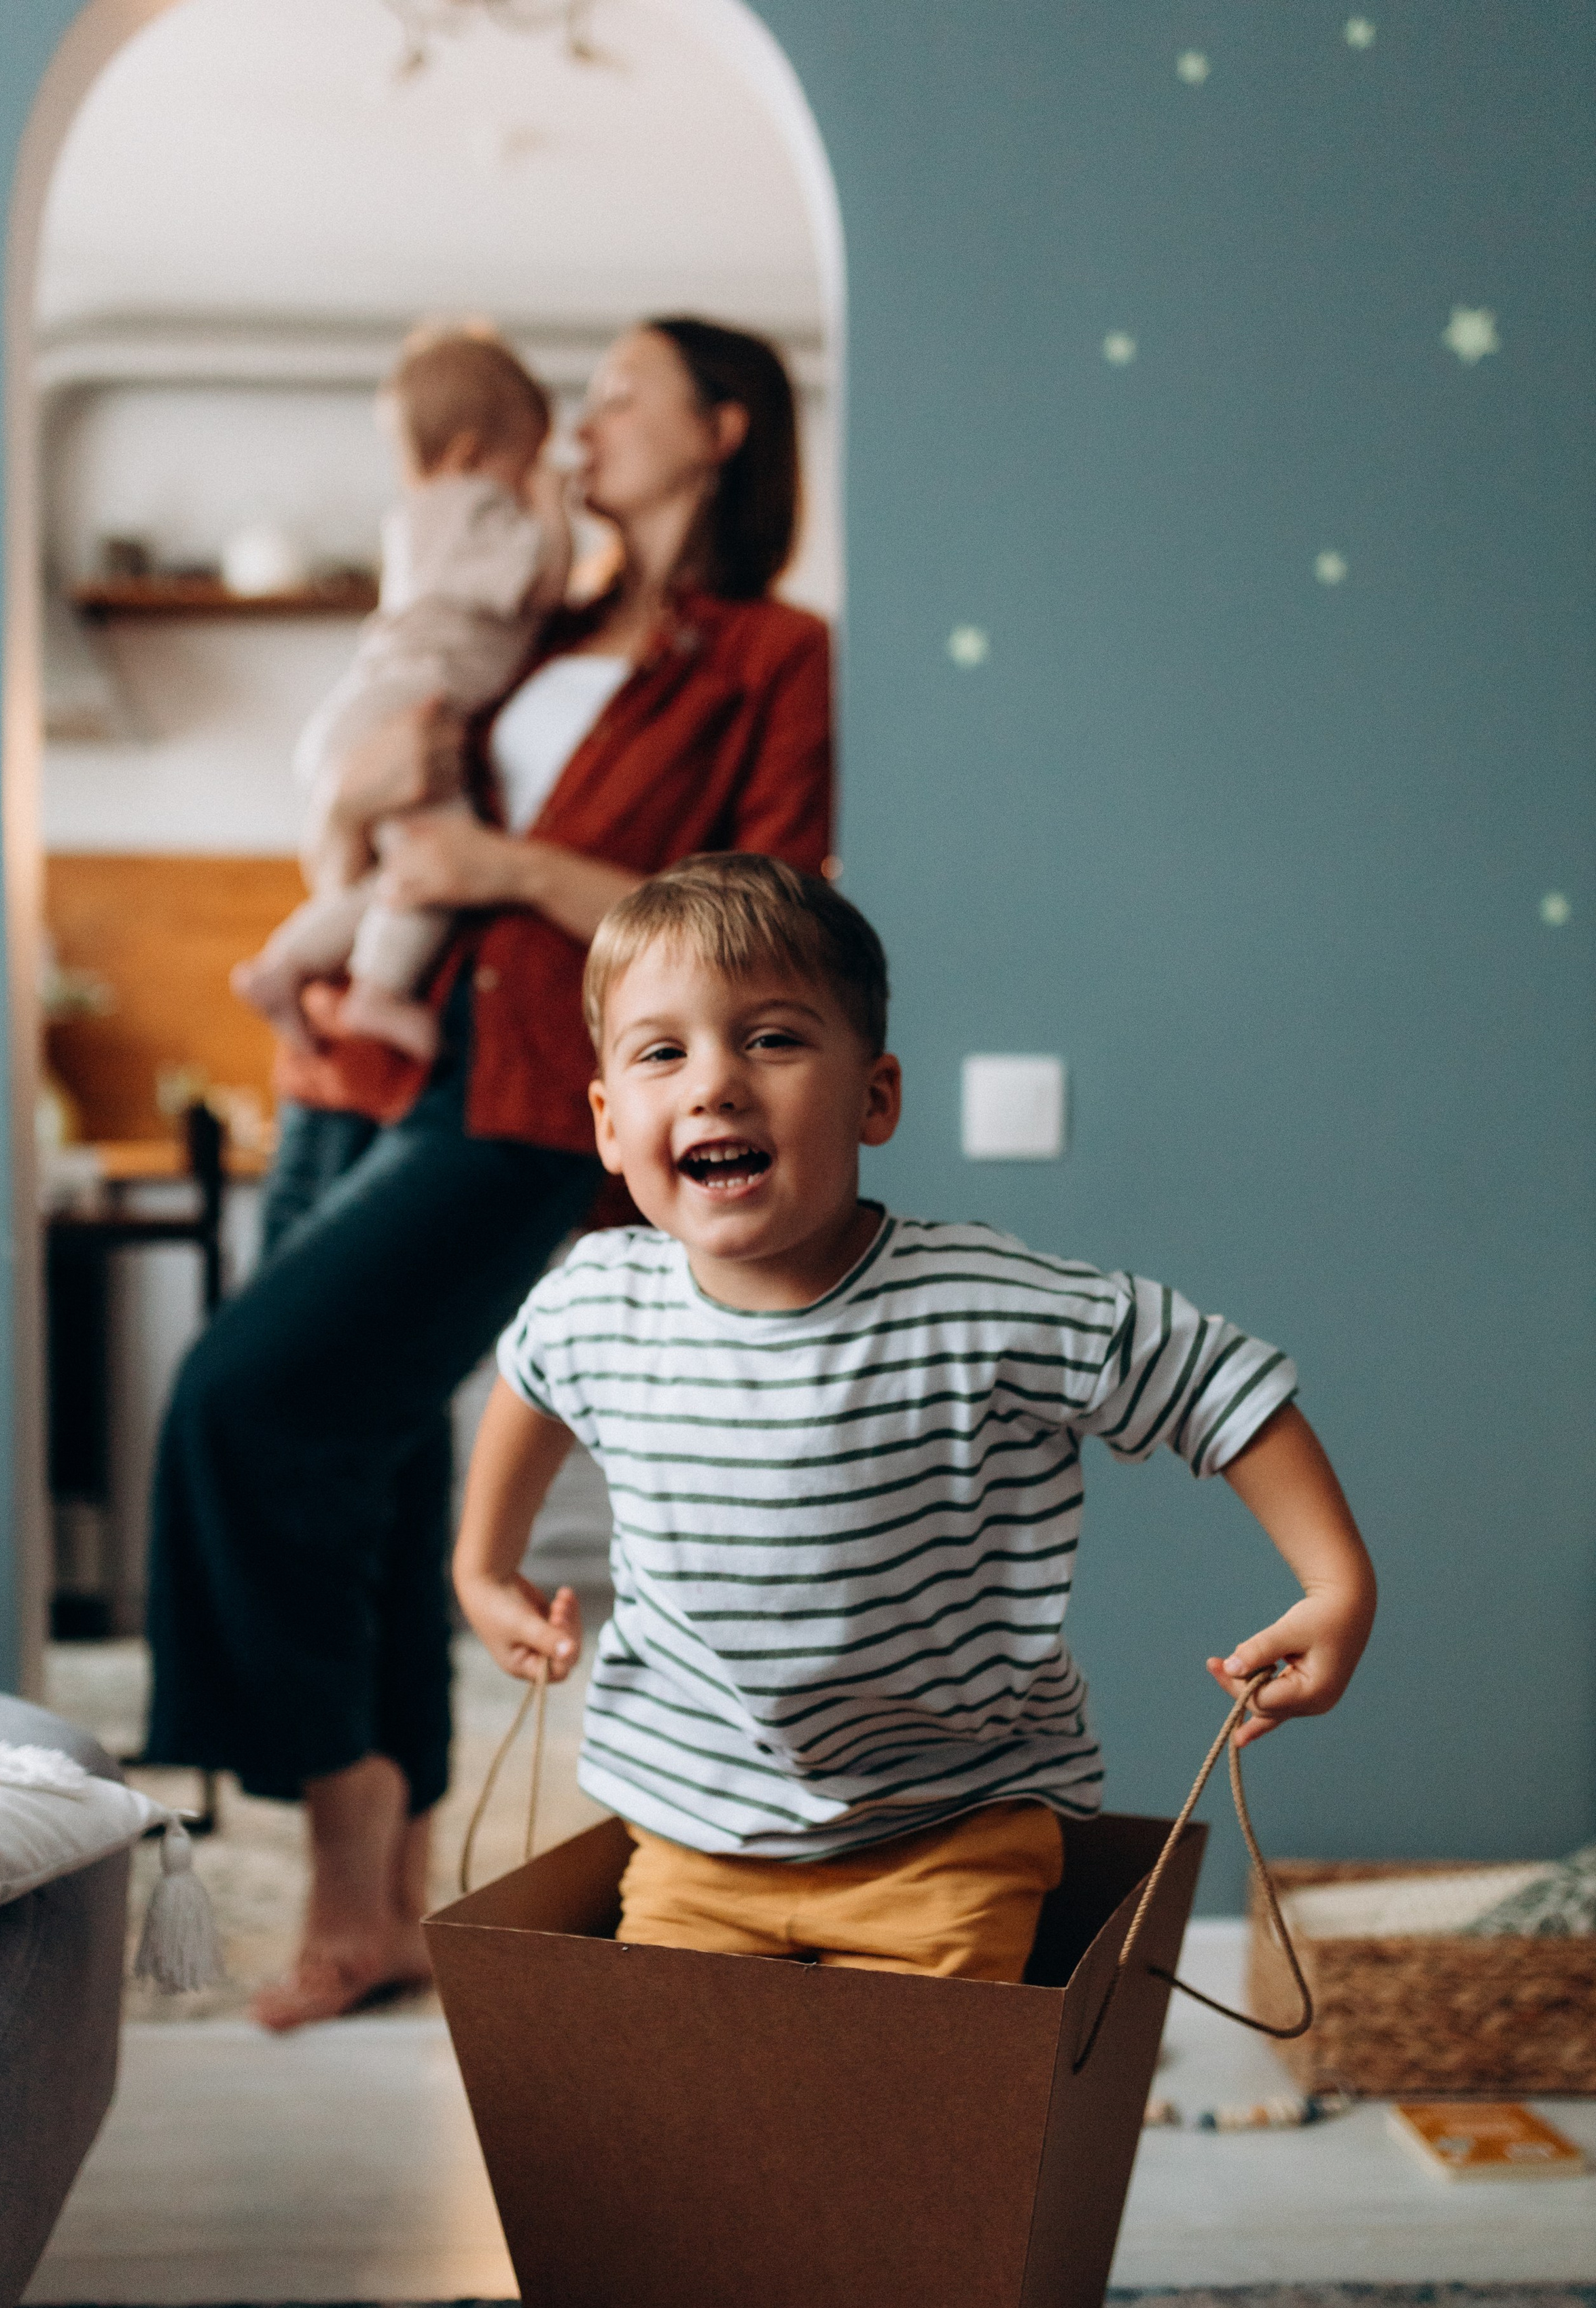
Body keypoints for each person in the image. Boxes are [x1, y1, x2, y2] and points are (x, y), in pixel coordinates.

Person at [145, 319, 832, 2029]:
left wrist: (510, 861)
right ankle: (377, 1902)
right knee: (361, 1454)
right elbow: (380, 823)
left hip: (530, 1093)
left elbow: (768, 928)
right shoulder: (528, 625)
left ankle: (344, 1864)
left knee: (242, 1403)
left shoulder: (768, 652)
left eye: (619, 391)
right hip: (355, 1057)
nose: (581, 417)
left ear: (721, 429)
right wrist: (352, 835)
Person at [454, 857, 1377, 1980]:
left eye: (773, 1040)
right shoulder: (598, 1297)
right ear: (608, 1122)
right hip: (691, 1841)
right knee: (689, 2134)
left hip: (945, 1841)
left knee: (908, 2142)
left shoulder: (981, 1305)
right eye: (663, 1052)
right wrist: (483, 1567)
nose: (714, 1085)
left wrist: (1337, 1585)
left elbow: (1212, 1378)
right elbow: (531, 1379)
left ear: (875, 1096)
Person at [231, 328, 571, 1061]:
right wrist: (553, 507)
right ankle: (379, 992)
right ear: (471, 456)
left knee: (391, 882)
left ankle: (282, 965)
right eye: (527, 461)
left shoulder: (430, 518)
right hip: (404, 708)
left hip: (370, 710)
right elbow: (543, 583)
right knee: (436, 866)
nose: (530, 479)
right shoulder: (469, 508)